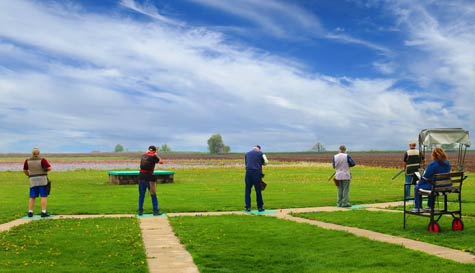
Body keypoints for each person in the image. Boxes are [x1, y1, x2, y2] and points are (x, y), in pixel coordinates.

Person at [413, 147, 451, 212]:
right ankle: (430, 206)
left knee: (417, 187)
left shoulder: (433, 164)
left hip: (435, 186)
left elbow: (425, 176)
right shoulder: (447, 163)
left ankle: (418, 207)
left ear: (433, 155)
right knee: (432, 185)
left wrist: (418, 182)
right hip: (445, 186)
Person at [23, 147, 52, 218]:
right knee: (43, 196)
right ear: (39, 153)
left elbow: (24, 170)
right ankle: (43, 212)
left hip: (32, 181)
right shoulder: (42, 160)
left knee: (32, 196)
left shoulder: (27, 160)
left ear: (32, 153)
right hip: (42, 180)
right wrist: (45, 170)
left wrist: (29, 175)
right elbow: (49, 168)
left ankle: (30, 212)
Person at [138, 145, 164, 216]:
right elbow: (161, 162)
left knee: (141, 195)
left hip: (141, 176)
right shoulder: (154, 156)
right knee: (153, 195)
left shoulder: (143, 155)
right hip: (149, 178)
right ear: (154, 151)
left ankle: (140, 211)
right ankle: (155, 211)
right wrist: (157, 155)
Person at [244, 145, 268, 212]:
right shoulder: (261, 153)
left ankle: (247, 207)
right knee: (258, 191)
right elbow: (266, 162)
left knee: (247, 190)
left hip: (248, 173)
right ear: (259, 149)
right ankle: (260, 207)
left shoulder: (247, 154)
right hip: (256, 173)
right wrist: (261, 163)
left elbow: (246, 163)